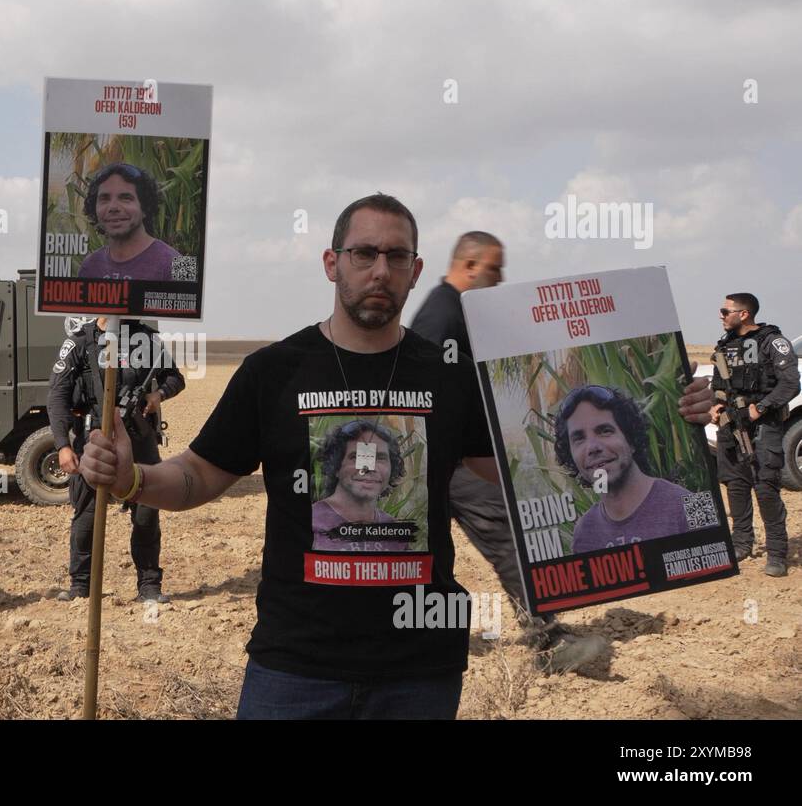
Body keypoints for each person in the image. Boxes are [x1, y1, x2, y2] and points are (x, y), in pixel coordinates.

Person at [79, 194, 716, 719]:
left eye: (396, 256)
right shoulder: (273, 372)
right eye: (364, 253)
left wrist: (671, 422)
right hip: (294, 669)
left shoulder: (449, 377)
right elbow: (195, 477)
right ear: (332, 263)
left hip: (420, 674)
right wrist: (131, 477)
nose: (379, 270)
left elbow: (527, 474)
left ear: (415, 270)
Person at [412, 231, 607, 672]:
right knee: (509, 539)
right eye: (494, 269)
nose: (500, 278)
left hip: (448, 458)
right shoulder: (442, 313)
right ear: (469, 266)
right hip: (451, 460)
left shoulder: (454, 310)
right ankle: (549, 644)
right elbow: (421, 384)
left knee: (428, 555)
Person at [47, 315, 184, 603]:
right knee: (86, 516)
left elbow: (175, 378)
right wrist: (62, 445)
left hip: (139, 440)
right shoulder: (79, 341)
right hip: (93, 439)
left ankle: (149, 587)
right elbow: (58, 395)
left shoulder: (144, 338)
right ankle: (80, 587)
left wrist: (158, 394)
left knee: (146, 515)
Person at [710, 292, 799, 576]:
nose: (721, 316)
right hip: (731, 425)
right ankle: (741, 543)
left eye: (725, 311)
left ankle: (777, 554)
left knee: (765, 488)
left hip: (763, 426)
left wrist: (759, 408)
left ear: (744, 314)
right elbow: (718, 385)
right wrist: (717, 405)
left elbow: (790, 384)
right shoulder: (725, 345)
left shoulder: (772, 342)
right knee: (735, 485)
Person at [553, 385, 695, 553]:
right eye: (579, 439)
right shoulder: (583, 533)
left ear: (631, 439)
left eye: (604, 431)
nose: (592, 447)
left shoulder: (693, 504)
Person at [311, 419, 407, 552]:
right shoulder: (311, 520)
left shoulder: (395, 531)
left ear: (392, 469)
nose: (368, 468)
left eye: (380, 458)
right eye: (356, 457)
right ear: (336, 466)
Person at [76, 163, 180, 281]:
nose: (113, 207)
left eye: (125, 198)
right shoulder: (89, 266)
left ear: (145, 207)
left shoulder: (181, 264)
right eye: (104, 199)